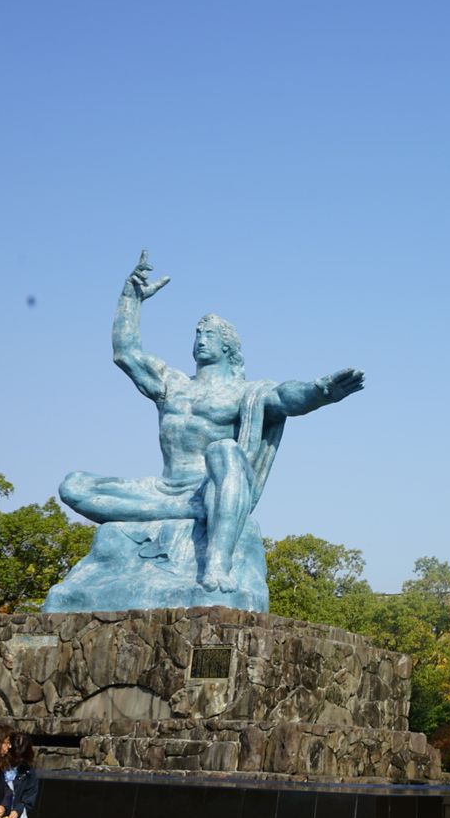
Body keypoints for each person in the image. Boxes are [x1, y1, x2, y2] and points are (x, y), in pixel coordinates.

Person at [58, 251, 365, 593]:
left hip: (215, 487)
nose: (201, 339)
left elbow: (285, 397)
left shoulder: (246, 392)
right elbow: (126, 353)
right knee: (74, 486)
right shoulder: (171, 384)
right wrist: (131, 299)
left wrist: (320, 391)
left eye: (210, 335)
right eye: (198, 334)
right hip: (165, 489)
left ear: (228, 346)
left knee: (224, 451)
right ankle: (186, 510)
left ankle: (217, 563)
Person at [0, 732, 37, 818]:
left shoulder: (27, 772)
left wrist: (18, 809)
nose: (17, 759)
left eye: (21, 756)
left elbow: (29, 796)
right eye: (15, 755)